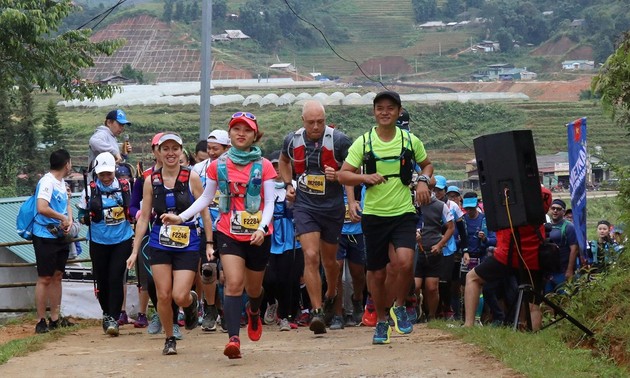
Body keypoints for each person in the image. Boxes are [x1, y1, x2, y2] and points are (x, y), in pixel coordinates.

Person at [161, 112, 276, 359]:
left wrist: (262, 227)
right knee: (233, 283)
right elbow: (205, 198)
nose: (241, 134)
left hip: (258, 234)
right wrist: (181, 217)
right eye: (236, 129)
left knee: (254, 289)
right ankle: (233, 338)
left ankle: (254, 311)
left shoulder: (264, 165)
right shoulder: (218, 166)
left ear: (254, 135)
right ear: (230, 134)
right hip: (228, 232)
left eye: (247, 130)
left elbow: (270, 203)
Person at [338, 90, 434, 344]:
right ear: (374, 112)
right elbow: (343, 174)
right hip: (374, 215)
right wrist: (364, 178)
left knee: (405, 261)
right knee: (377, 273)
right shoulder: (364, 142)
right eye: (379, 107)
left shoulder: (410, 140)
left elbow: (427, 165)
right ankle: (381, 320)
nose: (384, 112)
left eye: (390, 108)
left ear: (398, 111)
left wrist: (423, 180)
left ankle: (399, 305)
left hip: (403, 212)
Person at [126, 133, 211, 356]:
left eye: (175, 148)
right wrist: (135, 250)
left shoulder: (191, 177)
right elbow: (143, 217)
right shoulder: (150, 180)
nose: (171, 153)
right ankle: (169, 337)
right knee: (163, 295)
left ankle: (191, 302)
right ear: (158, 152)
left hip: (187, 241)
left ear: (182, 151)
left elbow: (205, 210)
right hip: (159, 241)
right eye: (166, 149)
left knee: (179, 295)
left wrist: (209, 242)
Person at [278, 100, 352, 334]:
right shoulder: (292, 140)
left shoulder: (339, 140)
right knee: (310, 255)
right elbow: (283, 160)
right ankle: (317, 312)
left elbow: (355, 170)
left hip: (332, 207)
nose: (316, 126)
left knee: (330, 261)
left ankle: (331, 292)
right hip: (305, 206)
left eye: (320, 121)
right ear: (303, 121)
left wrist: (338, 174)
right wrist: (288, 184)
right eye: (311, 122)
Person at [464, 186, 553, 331]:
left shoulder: (509, 191)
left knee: (472, 278)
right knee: (533, 303)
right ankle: (532, 336)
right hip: (533, 256)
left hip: (507, 254)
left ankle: (468, 324)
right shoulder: (543, 194)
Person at [79, 152, 134, 337]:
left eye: (109, 173)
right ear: (97, 173)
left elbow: (134, 208)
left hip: (122, 239)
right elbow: (81, 215)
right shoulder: (89, 190)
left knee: (115, 277)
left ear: (114, 171)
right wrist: (86, 217)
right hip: (99, 240)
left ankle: (114, 317)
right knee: (102, 279)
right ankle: (106, 313)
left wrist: (133, 214)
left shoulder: (125, 187)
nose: (106, 177)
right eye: (102, 174)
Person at [192, 129, 231, 332]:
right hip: (206, 228)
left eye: (216, 149)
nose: (212, 152)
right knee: (207, 270)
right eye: (209, 149)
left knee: (228, 273)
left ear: (227, 148)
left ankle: (227, 310)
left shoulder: (235, 168)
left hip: (230, 227)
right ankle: (209, 309)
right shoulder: (198, 169)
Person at [32, 149, 74, 334]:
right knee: (45, 277)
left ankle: (55, 317)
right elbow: (42, 208)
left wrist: (69, 220)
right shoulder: (47, 182)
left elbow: (66, 204)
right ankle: (41, 319)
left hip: (59, 235)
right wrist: (61, 218)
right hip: (44, 235)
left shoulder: (61, 182)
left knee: (57, 275)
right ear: (67, 164)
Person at [262, 150, 303, 331]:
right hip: (269, 235)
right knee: (270, 278)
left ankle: (286, 315)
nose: (277, 170)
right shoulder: (265, 186)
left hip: (290, 237)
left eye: (279, 166)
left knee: (288, 278)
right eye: (273, 166)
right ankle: (271, 302)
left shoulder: (295, 186)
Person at [415, 188, 454, 322]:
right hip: (415, 251)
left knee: (432, 287)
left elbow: (451, 226)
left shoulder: (440, 205)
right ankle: (416, 311)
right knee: (414, 285)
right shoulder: (411, 204)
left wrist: (440, 244)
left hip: (433, 251)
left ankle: (431, 315)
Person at [544, 199, 579, 293]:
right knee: (548, 300)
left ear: (563, 212)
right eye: (553, 208)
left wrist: (569, 270)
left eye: (558, 209)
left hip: (563, 271)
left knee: (565, 300)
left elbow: (574, 249)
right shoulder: (546, 226)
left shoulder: (569, 227)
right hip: (549, 272)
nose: (555, 211)